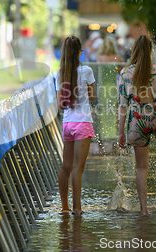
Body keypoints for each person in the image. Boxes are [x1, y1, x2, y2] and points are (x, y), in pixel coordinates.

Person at [117, 35, 156, 215]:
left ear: (134, 50)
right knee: (146, 165)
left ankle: (144, 210)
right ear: (150, 51)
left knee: (141, 168)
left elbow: (123, 105)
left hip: (137, 121)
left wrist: (121, 132)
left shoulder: (125, 73)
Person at [56, 35, 96, 215]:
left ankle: (65, 207)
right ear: (79, 52)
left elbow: (60, 104)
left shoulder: (60, 73)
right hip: (83, 123)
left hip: (68, 123)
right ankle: (77, 209)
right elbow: (92, 95)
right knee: (78, 169)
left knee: (66, 167)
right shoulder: (86, 71)